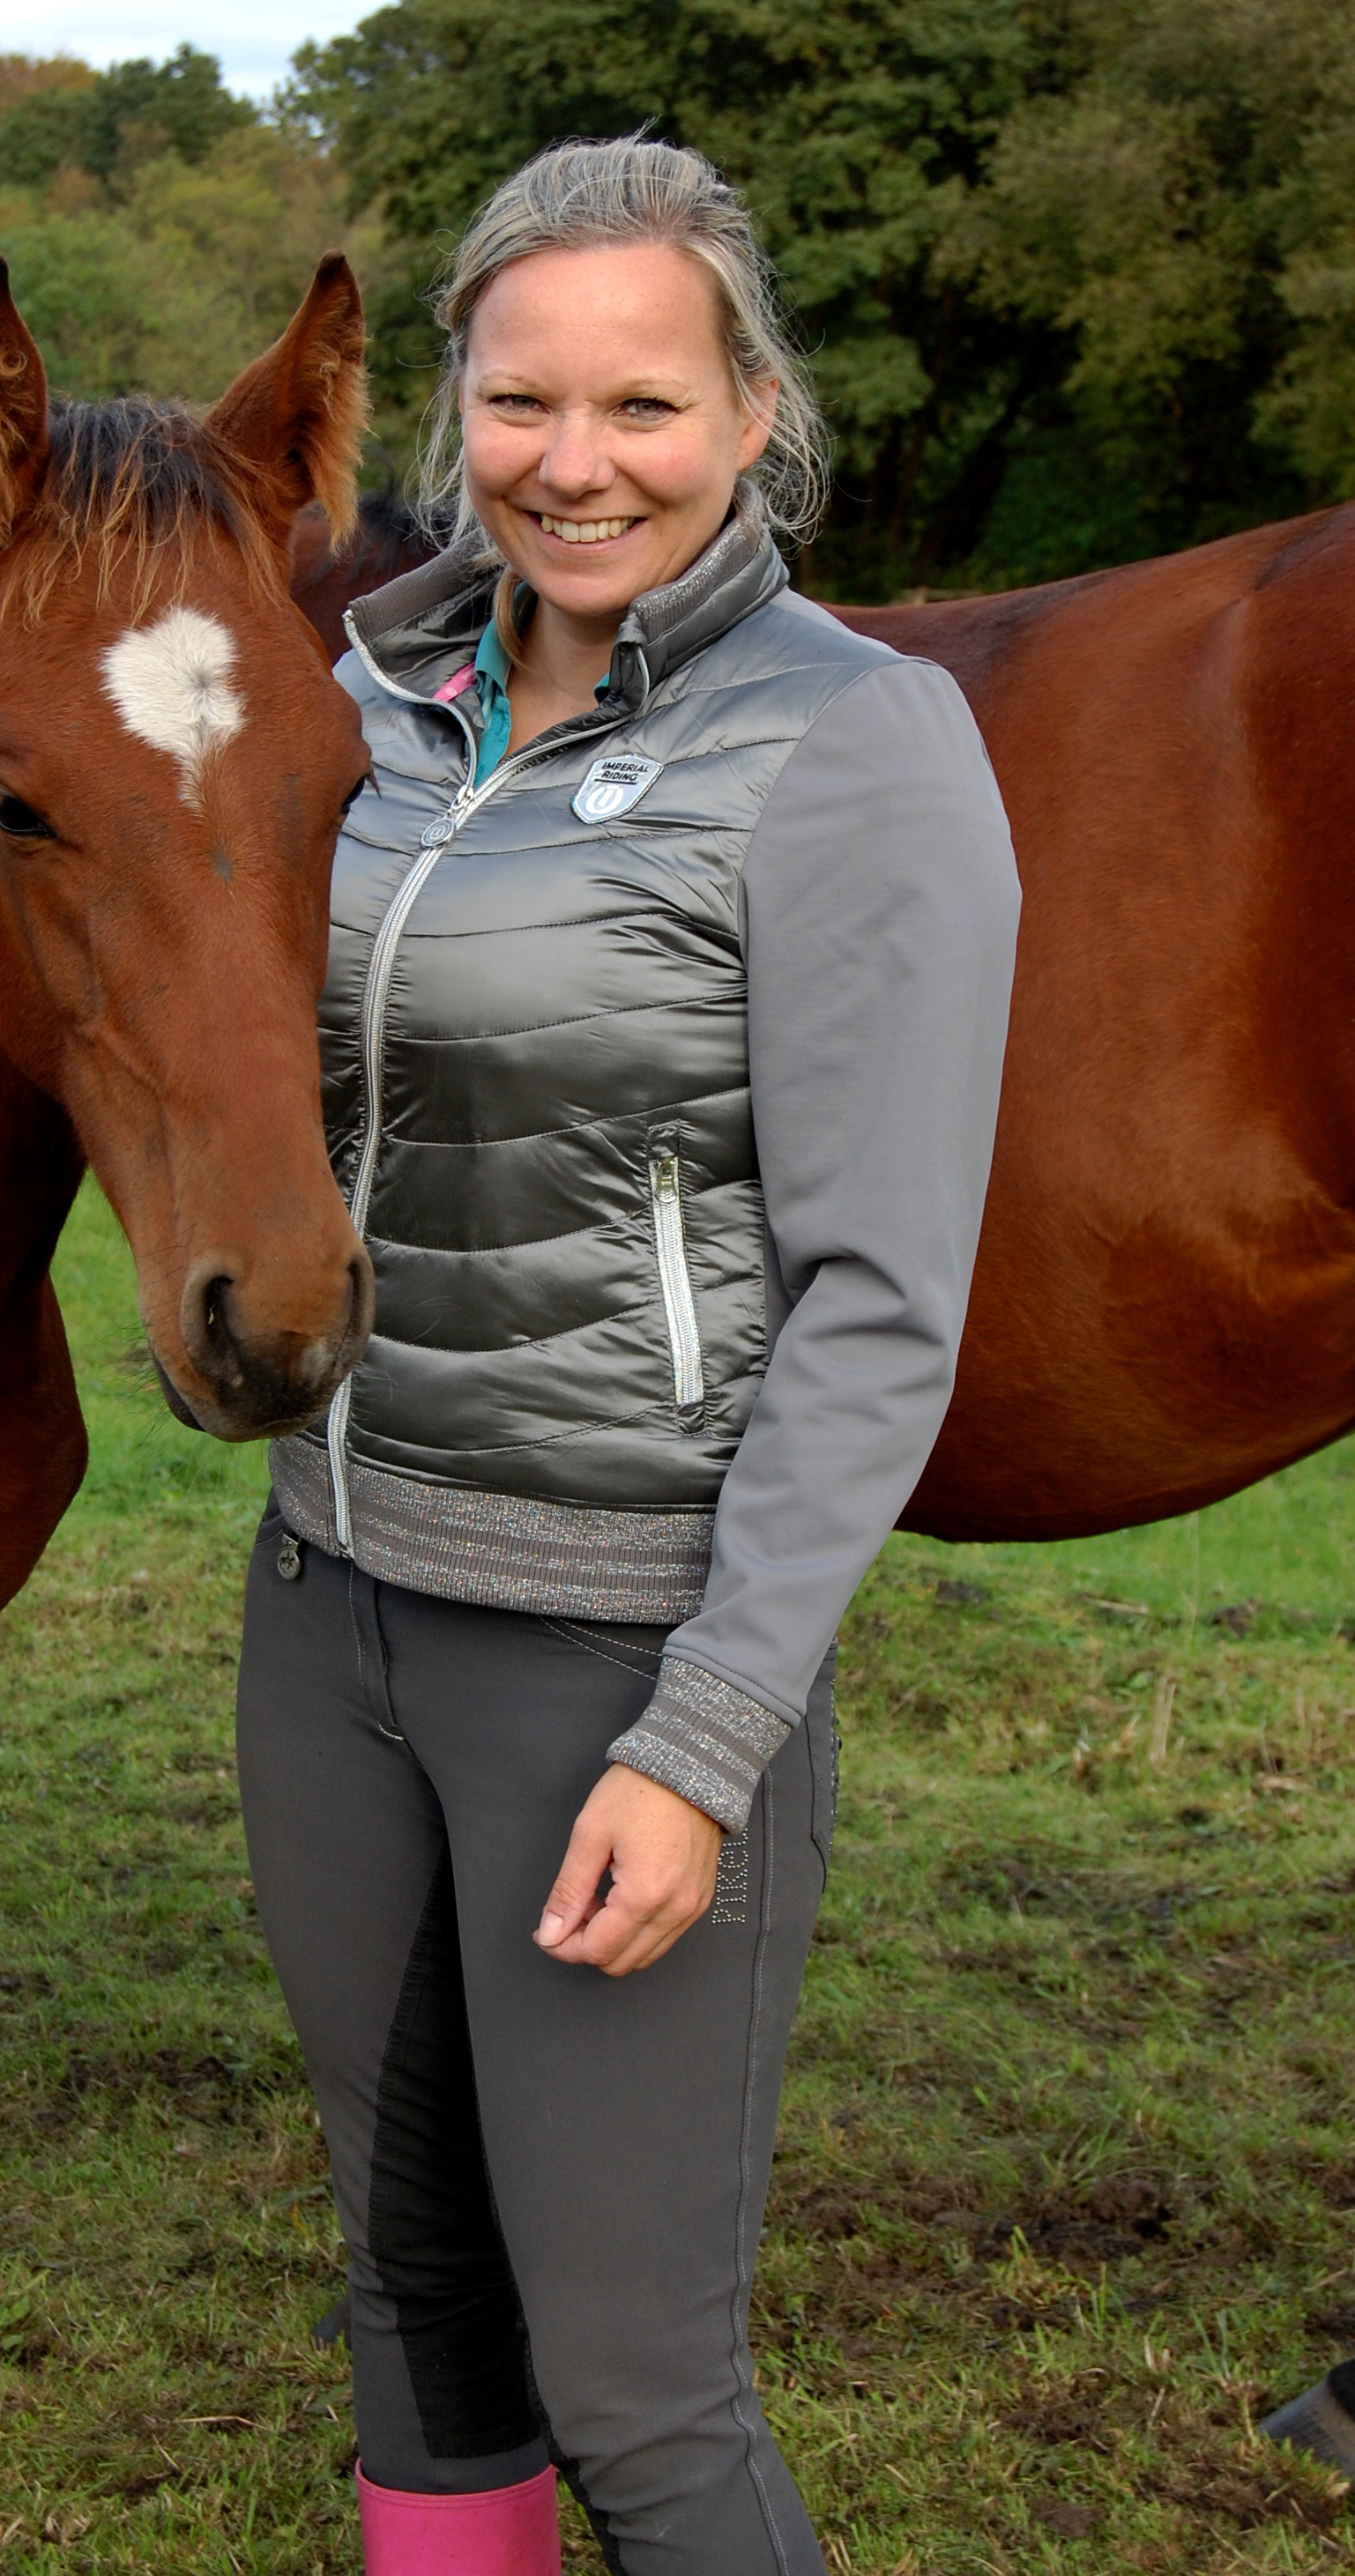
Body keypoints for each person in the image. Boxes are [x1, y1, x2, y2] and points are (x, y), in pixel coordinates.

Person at [235, 136, 1021, 2576]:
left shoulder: (854, 743)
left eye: (645, 406)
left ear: (754, 411)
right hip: (334, 1606)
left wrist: (701, 1740)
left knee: (639, 2391)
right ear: (451, 404)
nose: (574, 464)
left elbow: (884, 1305)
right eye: (519, 399)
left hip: (618, 1649)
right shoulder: (364, 710)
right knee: (414, 2303)